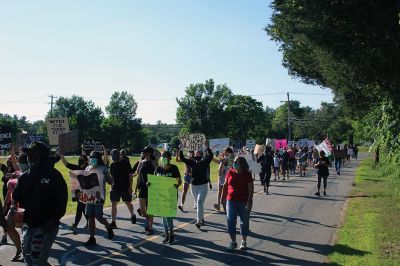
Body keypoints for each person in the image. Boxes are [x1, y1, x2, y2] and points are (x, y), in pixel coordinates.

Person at [12, 141, 68, 265]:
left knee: (37, 260)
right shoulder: (24, 177)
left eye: (33, 154)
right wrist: (14, 208)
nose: (29, 157)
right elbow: (16, 197)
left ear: (42, 156)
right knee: (28, 257)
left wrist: (53, 220)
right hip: (29, 225)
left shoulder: (54, 176)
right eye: (28, 154)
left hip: (47, 226)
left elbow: (62, 201)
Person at [80, 151, 114, 246]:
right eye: (91, 157)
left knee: (98, 216)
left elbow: (110, 182)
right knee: (91, 216)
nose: (92, 159)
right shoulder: (87, 168)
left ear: (98, 159)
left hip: (99, 196)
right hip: (90, 196)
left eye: (94, 157)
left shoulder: (103, 169)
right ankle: (92, 238)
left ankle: (108, 226)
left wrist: (110, 177)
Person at [221, 156, 254, 251]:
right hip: (230, 200)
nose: (234, 163)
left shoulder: (247, 174)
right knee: (230, 221)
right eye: (234, 162)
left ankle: (243, 241)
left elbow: (251, 188)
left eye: (236, 162)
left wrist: (249, 201)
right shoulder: (230, 171)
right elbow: (226, 185)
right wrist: (222, 198)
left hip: (243, 202)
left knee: (244, 222)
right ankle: (233, 242)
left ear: (242, 164)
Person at [179, 142, 213, 228]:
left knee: (199, 201)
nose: (197, 154)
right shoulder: (192, 162)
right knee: (199, 204)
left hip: (203, 186)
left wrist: (207, 147)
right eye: (196, 153)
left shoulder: (205, 162)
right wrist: (181, 148)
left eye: (199, 153)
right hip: (193, 186)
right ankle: (201, 218)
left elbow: (211, 156)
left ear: (202, 155)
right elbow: (182, 158)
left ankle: (199, 221)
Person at [154, 151, 182, 244]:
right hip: (161, 195)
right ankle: (166, 234)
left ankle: (171, 234)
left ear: (170, 158)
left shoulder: (174, 168)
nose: (163, 158)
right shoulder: (158, 169)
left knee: (168, 215)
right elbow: (155, 181)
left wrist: (174, 186)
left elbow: (179, 181)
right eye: (162, 156)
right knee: (164, 215)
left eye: (165, 156)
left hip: (171, 194)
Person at [59, 152, 89, 234]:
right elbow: (67, 164)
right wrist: (62, 156)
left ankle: (75, 225)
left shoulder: (89, 169)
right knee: (82, 208)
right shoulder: (78, 168)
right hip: (80, 192)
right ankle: (89, 221)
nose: (80, 162)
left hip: (86, 192)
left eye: (82, 161)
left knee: (80, 208)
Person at [109, 149, 136, 228]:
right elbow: (112, 177)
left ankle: (132, 214)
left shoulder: (125, 163)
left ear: (119, 156)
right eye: (112, 157)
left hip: (125, 187)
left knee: (128, 203)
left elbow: (130, 175)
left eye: (115, 157)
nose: (114, 159)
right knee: (113, 204)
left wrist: (130, 187)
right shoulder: (112, 165)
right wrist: (111, 187)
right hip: (115, 187)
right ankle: (113, 221)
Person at [137, 147, 157, 235]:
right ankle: (148, 220)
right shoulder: (141, 162)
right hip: (142, 188)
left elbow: (158, 175)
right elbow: (138, 175)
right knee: (142, 210)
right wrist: (136, 187)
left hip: (152, 187)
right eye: (143, 152)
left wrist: (152, 182)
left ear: (149, 153)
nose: (143, 153)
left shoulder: (154, 163)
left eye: (145, 152)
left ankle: (150, 227)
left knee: (150, 209)